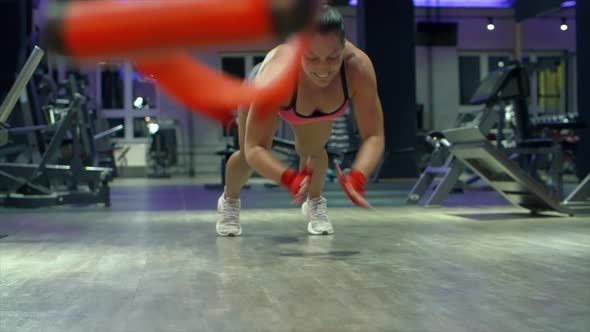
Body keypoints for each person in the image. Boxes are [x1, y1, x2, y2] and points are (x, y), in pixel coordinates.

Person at [216, 4, 384, 237]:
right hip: (268, 89)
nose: (323, 69)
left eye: (333, 57)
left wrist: (358, 176)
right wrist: (288, 178)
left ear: (343, 47)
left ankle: (314, 202)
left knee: (314, 151)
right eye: (312, 58)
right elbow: (255, 148)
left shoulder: (358, 67)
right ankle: (230, 201)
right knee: (246, 156)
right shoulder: (276, 75)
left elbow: (374, 135)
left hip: (308, 102)